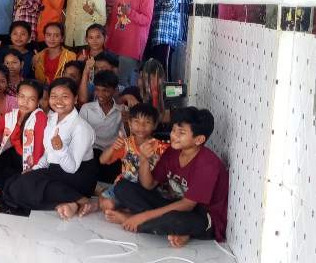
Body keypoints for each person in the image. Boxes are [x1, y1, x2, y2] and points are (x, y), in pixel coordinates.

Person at [110, 107, 228, 248]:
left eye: (181, 133)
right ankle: (179, 232)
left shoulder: (207, 164)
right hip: (177, 204)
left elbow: (187, 205)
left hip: (203, 217)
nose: (173, 136)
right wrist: (144, 159)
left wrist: (143, 216)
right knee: (122, 187)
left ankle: (133, 220)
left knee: (174, 220)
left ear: (198, 139)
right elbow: (149, 185)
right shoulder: (173, 151)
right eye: (173, 130)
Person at [1, 78, 99, 218]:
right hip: (56, 170)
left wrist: (60, 148)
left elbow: (71, 168)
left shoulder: (81, 127)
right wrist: (35, 169)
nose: (58, 101)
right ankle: (68, 204)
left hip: (77, 176)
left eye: (65, 97)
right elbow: (48, 153)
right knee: (14, 185)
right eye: (54, 96)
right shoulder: (51, 118)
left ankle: (81, 200)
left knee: (28, 185)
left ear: (75, 99)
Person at [0, 79, 47, 199]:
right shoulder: (12, 116)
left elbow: (39, 148)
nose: (25, 102)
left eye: (31, 99)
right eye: (22, 97)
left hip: (29, 161)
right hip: (12, 155)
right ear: (16, 97)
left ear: (38, 101)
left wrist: (33, 170)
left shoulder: (40, 117)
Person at [98, 103, 167, 214]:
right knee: (107, 205)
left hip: (146, 191)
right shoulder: (126, 144)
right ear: (129, 123)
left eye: (147, 122)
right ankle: (125, 207)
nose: (141, 127)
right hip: (124, 188)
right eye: (136, 121)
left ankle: (127, 211)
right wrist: (113, 147)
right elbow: (102, 160)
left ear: (154, 125)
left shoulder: (161, 148)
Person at [106, 0, 155, 86]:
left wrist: (129, 12)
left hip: (132, 45)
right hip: (116, 43)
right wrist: (109, 40)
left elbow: (146, 20)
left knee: (125, 82)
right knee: (113, 80)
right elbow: (114, 20)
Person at [79, 70, 125, 183]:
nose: (100, 94)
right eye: (97, 89)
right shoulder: (87, 109)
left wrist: (127, 121)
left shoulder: (122, 111)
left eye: (105, 91)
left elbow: (125, 137)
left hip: (112, 153)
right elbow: (80, 135)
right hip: (92, 152)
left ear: (115, 91)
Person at [147, 0, 181, 79]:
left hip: (165, 38)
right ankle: (156, 90)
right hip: (155, 38)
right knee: (155, 71)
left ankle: (167, 91)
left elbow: (171, 6)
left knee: (164, 70)